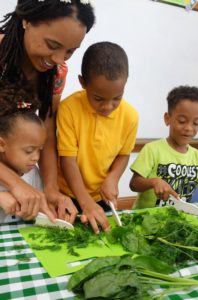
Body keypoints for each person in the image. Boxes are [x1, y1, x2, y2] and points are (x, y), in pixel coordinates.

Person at [0, 0, 95, 222]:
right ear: (27, 20)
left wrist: (51, 188)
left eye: (70, 51)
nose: (58, 60)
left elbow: (47, 130)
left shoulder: (56, 72)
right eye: (52, 45)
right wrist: (15, 183)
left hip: (18, 172)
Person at [56, 41, 139, 233]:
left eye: (117, 98)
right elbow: (67, 160)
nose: (108, 106)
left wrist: (113, 178)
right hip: (69, 194)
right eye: (98, 99)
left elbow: (123, 155)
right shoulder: (68, 108)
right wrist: (84, 201)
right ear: (83, 82)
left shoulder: (130, 116)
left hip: (102, 196)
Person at [129, 86, 198, 209]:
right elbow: (134, 184)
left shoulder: (197, 156)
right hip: (147, 220)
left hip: (181, 221)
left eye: (196, 123)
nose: (189, 128)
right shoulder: (152, 149)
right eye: (182, 121)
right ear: (167, 119)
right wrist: (153, 182)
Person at [0, 80, 55, 223]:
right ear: (1, 144)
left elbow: (40, 208)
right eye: (29, 151)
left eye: (39, 150)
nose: (36, 157)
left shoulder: (33, 173)